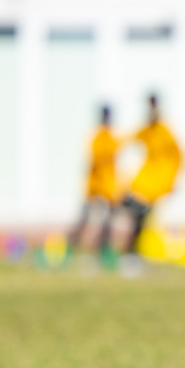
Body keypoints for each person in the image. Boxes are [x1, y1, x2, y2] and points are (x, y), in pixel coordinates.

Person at [121, 95, 181, 274]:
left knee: (141, 213)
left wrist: (172, 182)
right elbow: (130, 139)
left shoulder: (165, 131)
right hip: (146, 181)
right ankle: (134, 252)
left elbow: (178, 157)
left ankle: (136, 252)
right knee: (137, 211)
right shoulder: (148, 130)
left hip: (158, 182)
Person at [67, 105, 121, 263]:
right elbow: (94, 161)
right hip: (95, 187)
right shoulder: (97, 137)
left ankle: (102, 253)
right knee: (83, 221)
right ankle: (67, 249)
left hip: (108, 188)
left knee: (107, 224)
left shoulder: (111, 137)